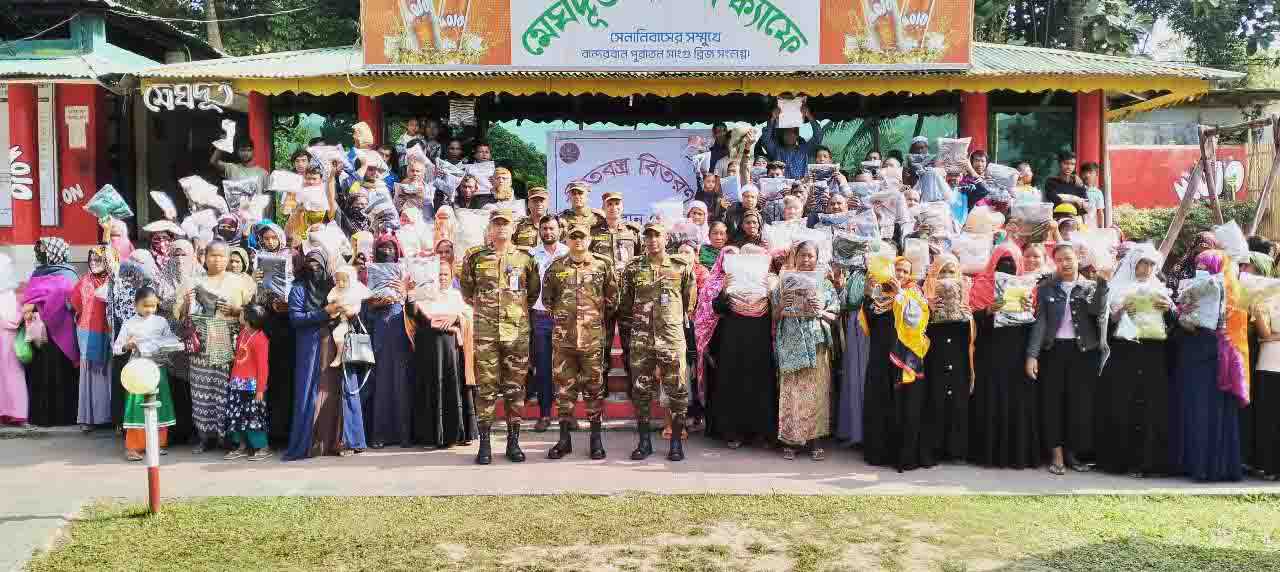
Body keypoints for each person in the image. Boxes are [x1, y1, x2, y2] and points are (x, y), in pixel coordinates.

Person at [459, 208, 541, 465]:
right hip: (486, 334)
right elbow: (467, 292)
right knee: (486, 389)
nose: (502, 228)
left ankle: (513, 443)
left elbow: (532, 293)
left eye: (506, 224)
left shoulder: (526, 259)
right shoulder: (475, 258)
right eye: (497, 224)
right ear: (491, 229)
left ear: (513, 228)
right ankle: (484, 445)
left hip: (516, 333)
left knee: (515, 388)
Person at [1026, 242, 1109, 475]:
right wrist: (1032, 355)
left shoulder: (1090, 286)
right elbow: (1040, 323)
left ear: (1077, 260)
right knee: (1052, 404)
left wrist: (1102, 283)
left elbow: (1097, 311)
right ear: (1055, 262)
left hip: (1083, 353)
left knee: (1079, 406)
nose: (1065, 263)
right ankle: (1057, 455)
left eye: (1068, 259)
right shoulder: (1046, 288)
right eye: (1060, 259)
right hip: (1053, 352)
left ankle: (1073, 454)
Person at [619, 221, 696, 461]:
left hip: (671, 337)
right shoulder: (633, 268)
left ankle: (675, 441)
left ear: (666, 239)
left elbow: (688, 302)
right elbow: (626, 303)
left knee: (677, 389)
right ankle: (644, 442)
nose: (652, 240)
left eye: (657, 236)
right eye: (648, 236)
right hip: (642, 338)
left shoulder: (680, 267)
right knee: (641, 389)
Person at [541, 224, 618, 459]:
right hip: (564, 341)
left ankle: (596, 439)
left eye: (581, 237)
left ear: (589, 238)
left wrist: (593, 321)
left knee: (594, 390)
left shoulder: (602, 265)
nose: (577, 241)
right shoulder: (556, 268)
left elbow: (612, 298)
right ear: (567, 239)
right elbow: (547, 300)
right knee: (564, 391)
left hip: (592, 341)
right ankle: (564, 440)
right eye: (573, 237)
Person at [1097, 243, 1175, 477]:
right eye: (1144, 263)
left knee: (1151, 405)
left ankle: (1147, 462)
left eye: (1152, 264)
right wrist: (1120, 311)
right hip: (1125, 352)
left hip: (1153, 352)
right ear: (1134, 264)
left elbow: (1173, 323)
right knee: (1124, 403)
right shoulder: (1118, 288)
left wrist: (1169, 308)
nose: (1148, 268)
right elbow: (1106, 324)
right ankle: (1121, 461)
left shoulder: (1161, 288)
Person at [284, 249, 368, 460]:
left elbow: (351, 300)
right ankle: (312, 443)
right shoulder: (298, 289)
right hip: (311, 349)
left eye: (319, 264)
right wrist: (325, 312)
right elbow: (296, 318)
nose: (314, 267)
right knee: (311, 394)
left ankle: (340, 440)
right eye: (310, 262)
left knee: (335, 392)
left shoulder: (331, 286)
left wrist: (347, 311)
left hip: (334, 345)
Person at [174, 240, 256, 453]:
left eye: (221, 256)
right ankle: (204, 437)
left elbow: (253, 311)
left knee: (226, 390)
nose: (217, 259)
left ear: (228, 259)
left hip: (227, 338)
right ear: (204, 257)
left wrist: (235, 310)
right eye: (212, 255)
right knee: (202, 390)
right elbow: (179, 315)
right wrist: (185, 303)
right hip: (200, 343)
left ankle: (227, 438)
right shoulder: (192, 281)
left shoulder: (240, 282)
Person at [1171, 249, 1245, 482]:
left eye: (1206, 265)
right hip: (1193, 349)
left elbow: (1236, 325)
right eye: (1198, 265)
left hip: (1217, 353)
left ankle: (1214, 466)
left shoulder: (1232, 292)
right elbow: (1181, 316)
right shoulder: (1193, 286)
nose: (1201, 269)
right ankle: (1195, 464)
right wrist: (1183, 316)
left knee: (1213, 409)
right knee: (1194, 405)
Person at [969, 242, 1041, 469]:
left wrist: (1028, 306)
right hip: (990, 353)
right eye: (1002, 262)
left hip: (1017, 352)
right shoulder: (981, 284)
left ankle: (1017, 455)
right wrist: (989, 310)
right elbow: (971, 320)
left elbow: (1036, 323)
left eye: (1011, 262)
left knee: (1017, 401)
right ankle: (989, 455)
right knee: (991, 399)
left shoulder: (1029, 286)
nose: (1007, 267)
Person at [700, 246, 777, 448]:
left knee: (761, 383)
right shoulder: (729, 279)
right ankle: (733, 432)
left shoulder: (770, 279)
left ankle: (761, 432)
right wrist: (725, 290)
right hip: (733, 339)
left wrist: (771, 292)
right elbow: (717, 308)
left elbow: (778, 310)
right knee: (733, 382)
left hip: (760, 340)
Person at [773, 242, 839, 461]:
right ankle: (790, 441)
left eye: (810, 256)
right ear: (795, 257)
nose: (806, 260)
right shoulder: (783, 283)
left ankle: (815, 442)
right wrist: (782, 305)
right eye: (802, 255)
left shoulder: (825, 285)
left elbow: (835, 313)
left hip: (816, 343)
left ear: (817, 259)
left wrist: (820, 309)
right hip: (791, 343)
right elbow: (773, 316)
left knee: (816, 394)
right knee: (791, 393)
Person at [408, 261, 478, 448]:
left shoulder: (456, 295)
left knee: (451, 386)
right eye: (438, 274)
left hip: (450, 351)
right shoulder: (423, 295)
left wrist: (456, 318)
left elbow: (468, 316)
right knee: (430, 386)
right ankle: (430, 436)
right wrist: (410, 296)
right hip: (427, 349)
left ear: (452, 276)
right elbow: (412, 315)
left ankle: (456, 435)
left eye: (445, 275)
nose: (442, 278)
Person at [362, 234, 415, 449]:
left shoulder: (406, 273)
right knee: (381, 384)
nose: (386, 252)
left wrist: (405, 292)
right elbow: (363, 311)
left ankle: (404, 435)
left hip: (401, 331)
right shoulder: (368, 274)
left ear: (398, 251)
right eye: (382, 248)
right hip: (380, 333)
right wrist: (373, 304)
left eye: (391, 248)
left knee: (401, 383)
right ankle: (379, 434)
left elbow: (416, 305)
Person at [113, 287, 178, 460]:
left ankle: (156, 444)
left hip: (158, 369)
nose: (149, 310)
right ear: (135, 305)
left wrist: (168, 344)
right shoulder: (129, 324)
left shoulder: (161, 322)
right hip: (137, 371)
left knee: (159, 406)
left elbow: (171, 339)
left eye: (153, 306)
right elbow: (116, 348)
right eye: (145, 306)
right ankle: (133, 447)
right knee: (136, 408)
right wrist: (128, 346)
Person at [921, 254, 974, 463]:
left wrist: (967, 315)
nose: (946, 276)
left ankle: (957, 450)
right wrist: (928, 309)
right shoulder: (924, 295)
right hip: (935, 356)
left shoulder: (966, 294)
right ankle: (935, 448)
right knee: (936, 398)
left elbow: (972, 333)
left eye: (951, 272)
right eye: (942, 271)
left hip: (958, 357)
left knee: (958, 401)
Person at [22, 237, 80, 427]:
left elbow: (72, 300)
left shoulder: (69, 274)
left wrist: (40, 306)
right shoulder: (37, 272)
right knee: (41, 373)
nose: (41, 254)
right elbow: (28, 298)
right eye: (40, 251)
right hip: (40, 334)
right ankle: (41, 417)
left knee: (60, 373)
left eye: (45, 251)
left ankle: (64, 417)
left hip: (62, 332)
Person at [250, 223, 296, 445]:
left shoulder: (291, 258)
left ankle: (287, 431)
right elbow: (256, 298)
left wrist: (288, 303)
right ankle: (273, 432)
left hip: (287, 324)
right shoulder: (257, 260)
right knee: (269, 376)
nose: (270, 242)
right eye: (266, 239)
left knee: (286, 375)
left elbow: (297, 286)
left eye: (273, 238)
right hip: (268, 323)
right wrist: (257, 281)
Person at [70, 245, 117, 431]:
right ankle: (89, 419)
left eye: (98, 260)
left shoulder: (115, 282)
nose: (93, 263)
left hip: (110, 335)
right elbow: (75, 304)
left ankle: (112, 417)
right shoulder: (84, 281)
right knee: (90, 377)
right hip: (88, 337)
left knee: (109, 374)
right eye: (91, 260)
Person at [529, 215, 568, 433]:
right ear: (539, 231)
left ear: (559, 230)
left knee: (566, 368)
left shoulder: (568, 253)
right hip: (541, 317)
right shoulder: (532, 255)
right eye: (544, 228)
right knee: (543, 368)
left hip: (565, 317)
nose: (548, 232)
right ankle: (544, 414)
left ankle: (566, 414)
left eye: (552, 228)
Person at [221, 303, 272, 461]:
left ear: (250, 320)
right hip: (237, 383)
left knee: (253, 417)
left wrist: (260, 390)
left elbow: (263, 367)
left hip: (252, 386)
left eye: (243, 314)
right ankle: (240, 446)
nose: (240, 315)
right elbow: (238, 359)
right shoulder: (243, 333)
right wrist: (232, 380)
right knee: (236, 416)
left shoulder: (260, 340)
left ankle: (262, 447)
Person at [0, 254, 29, 428]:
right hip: (10, 340)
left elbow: (15, 318)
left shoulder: (13, 293)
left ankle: (14, 413)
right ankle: (15, 413)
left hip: (9, 341)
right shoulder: (14, 293)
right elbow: (17, 317)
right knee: (13, 376)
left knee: (11, 376)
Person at [761, 102, 824, 179]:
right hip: (781, 188)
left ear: (797, 135)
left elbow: (818, 136)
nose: (790, 135)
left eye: (793, 132)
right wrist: (773, 118)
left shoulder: (804, 150)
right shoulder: (776, 150)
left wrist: (809, 115)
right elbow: (766, 139)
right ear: (782, 135)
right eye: (787, 133)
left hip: (800, 188)